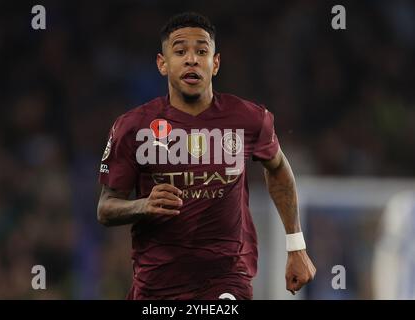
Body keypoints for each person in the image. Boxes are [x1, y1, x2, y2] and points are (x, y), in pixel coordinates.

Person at [97, 12, 316, 300]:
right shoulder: (133, 127)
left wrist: (296, 244)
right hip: (156, 285)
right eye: (180, 51)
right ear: (162, 64)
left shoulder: (249, 118)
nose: (192, 59)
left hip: (227, 278)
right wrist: (142, 205)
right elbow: (106, 208)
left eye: (202, 51)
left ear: (215, 64)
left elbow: (277, 169)